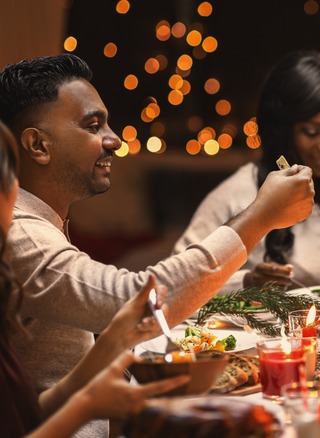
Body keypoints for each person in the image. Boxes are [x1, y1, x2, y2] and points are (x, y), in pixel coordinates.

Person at [0, 53, 314, 436]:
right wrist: (259, 217)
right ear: (38, 145)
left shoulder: (41, 225)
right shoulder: (22, 234)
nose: (114, 140)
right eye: (93, 125)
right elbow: (133, 299)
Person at [0, 120, 189, 437]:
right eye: (9, 181)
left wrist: (112, 343)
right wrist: (87, 405)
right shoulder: (27, 239)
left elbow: (26, 419)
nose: (17, 196)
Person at [172, 50, 320, 290]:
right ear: (284, 129)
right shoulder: (237, 195)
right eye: (312, 132)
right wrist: (247, 281)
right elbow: (174, 286)